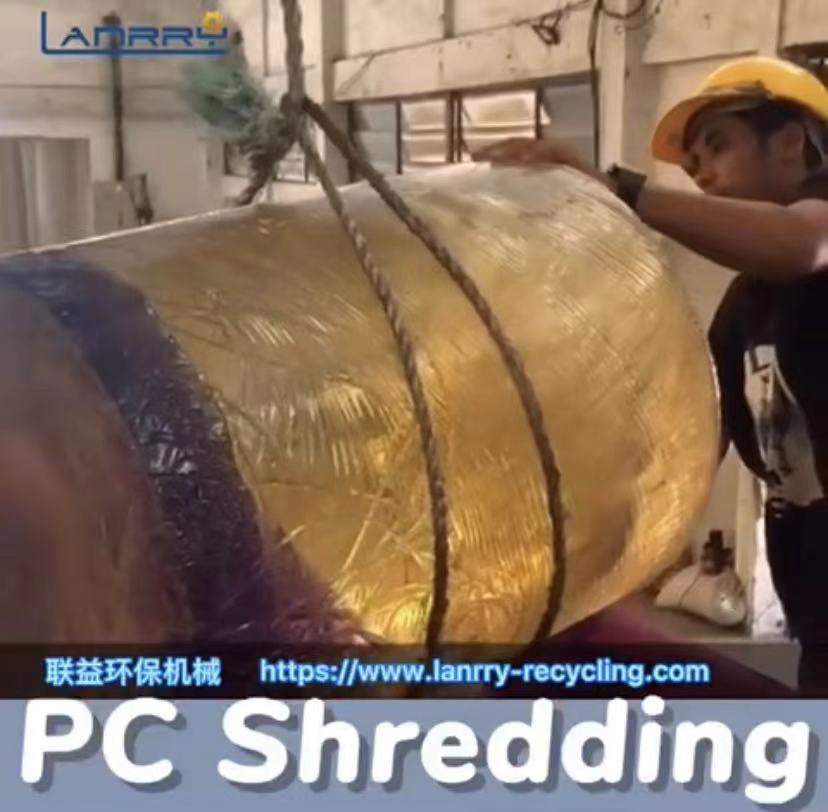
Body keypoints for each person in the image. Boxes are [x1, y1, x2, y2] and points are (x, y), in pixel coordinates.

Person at [474, 56, 828, 692]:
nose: (703, 174)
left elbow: (805, 243)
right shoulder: (745, 309)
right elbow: (694, 439)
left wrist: (618, 189)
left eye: (717, 145)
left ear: (788, 142)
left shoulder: (808, 241)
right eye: (692, 165)